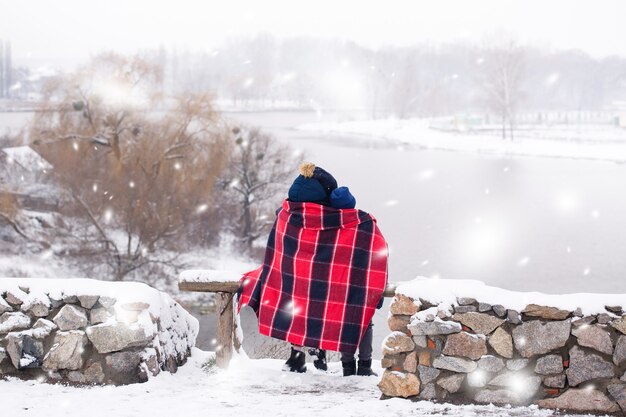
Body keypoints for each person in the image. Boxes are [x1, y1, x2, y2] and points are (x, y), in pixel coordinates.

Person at [237, 162, 388, 377]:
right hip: (327, 282)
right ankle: (349, 364)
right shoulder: (340, 220)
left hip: (296, 277)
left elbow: (281, 248)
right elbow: (357, 244)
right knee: (343, 309)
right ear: (323, 194)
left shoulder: (286, 214)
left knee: (298, 306)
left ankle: (297, 358)